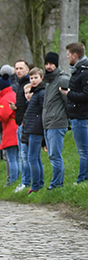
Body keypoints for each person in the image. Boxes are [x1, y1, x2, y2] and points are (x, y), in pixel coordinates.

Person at [60, 42, 88, 185]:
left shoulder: (84, 72)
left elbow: (85, 95)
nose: (67, 57)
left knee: (83, 151)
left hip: (81, 117)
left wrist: (68, 94)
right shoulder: (78, 71)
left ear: (75, 55)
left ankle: (82, 179)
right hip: (77, 116)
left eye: (68, 54)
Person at [42, 52, 70, 190]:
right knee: (52, 156)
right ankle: (56, 184)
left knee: (55, 155)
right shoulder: (48, 81)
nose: (48, 66)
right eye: (46, 63)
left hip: (57, 123)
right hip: (48, 123)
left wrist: (68, 122)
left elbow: (68, 103)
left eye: (51, 63)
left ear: (56, 64)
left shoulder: (62, 79)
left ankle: (57, 185)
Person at [0, 65, 20, 185]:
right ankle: (19, 181)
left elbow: (3, 116)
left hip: (10, 129)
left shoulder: (5, 98)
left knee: (11, 158)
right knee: (18, 158)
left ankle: (12, 181)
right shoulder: (13, 94)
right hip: (17, 128)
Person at [22, 67, 46, 194]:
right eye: (31, 78)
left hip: (36, 130)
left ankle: (36, 186)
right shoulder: (36, 92)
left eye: (36, 77)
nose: (33, 80)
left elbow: (43, 111)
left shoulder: (41, 93)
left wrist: (39, 126)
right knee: (35, 158)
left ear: (41, 78)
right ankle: (39, 184)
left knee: (32, 158)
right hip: (32, 129)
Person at [9, 59, 31, 191]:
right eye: (16, 68)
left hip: (26, 124)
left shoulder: (28, 84)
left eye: (21, 68)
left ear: (27, 70)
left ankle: (26, 183)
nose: (18, 71)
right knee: (23, 155)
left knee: (25, 156)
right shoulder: (19, 83)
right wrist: (16, 108)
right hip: (20, 123)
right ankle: (25, 182)